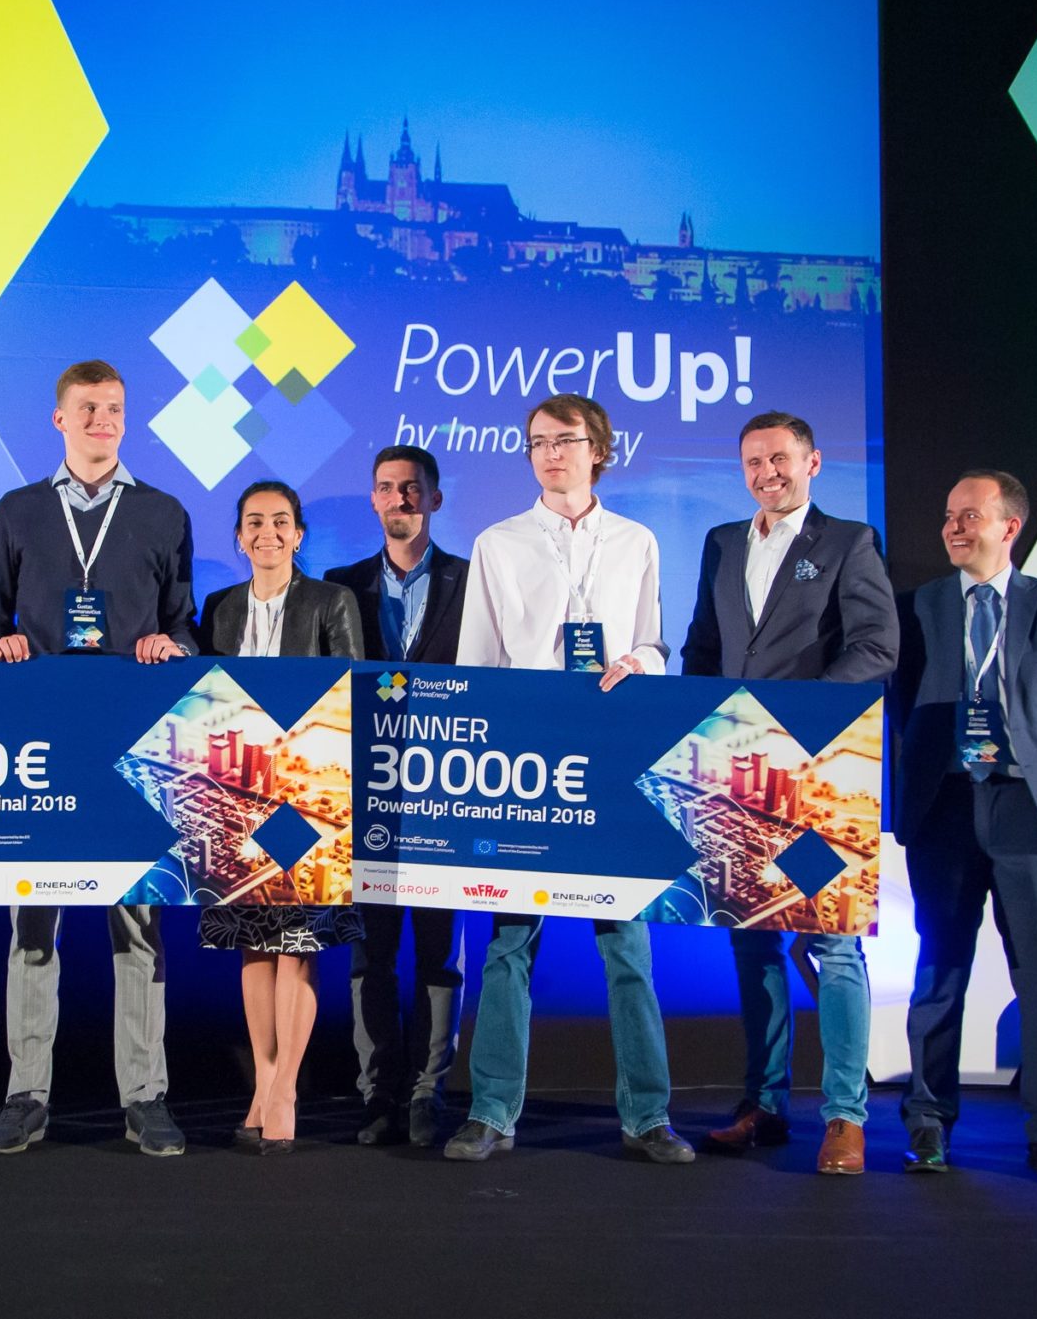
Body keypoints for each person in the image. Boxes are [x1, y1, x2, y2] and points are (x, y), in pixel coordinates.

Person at [443, 395, 690, 1165]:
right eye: (537, 442)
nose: (550, 453)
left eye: (565, 440)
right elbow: (476, 667)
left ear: (599, 449)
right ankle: (491, 1110)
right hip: (526, 768)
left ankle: (649, 1115)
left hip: (611, 764)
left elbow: (655, 644)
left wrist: (639, 662)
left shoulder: (637, 541)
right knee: (508, 944)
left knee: (628, 948)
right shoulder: (498, 542)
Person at [0, 359, 199, 1157]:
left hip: (132, 750)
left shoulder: (163, 511)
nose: (104, 420)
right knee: (32, 926)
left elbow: (184, 623)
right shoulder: (18, 510)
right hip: (40, 748)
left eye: (115, 408)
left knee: (139, 926)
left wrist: (172, 644)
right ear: (59, 419)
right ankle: (26, 1094)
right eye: (89, 408)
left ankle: (145, 1096)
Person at [680, 409, 897, 1176]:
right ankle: (763, 1103)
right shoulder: (721, 542)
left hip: (819, 772)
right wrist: (701, 728)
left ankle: (844, 1116)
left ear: (812, 462)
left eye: (779, 459)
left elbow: (877, 646)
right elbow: (704, 646)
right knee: (752, 938)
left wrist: (796, 718)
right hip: (737, 769)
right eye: (753, 461)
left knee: (833, 943)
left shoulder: (850, 542)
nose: (765, 473)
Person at [889, 471, 1037, 1184]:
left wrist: (1020, 757)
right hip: (944, 805)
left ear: (1010, 526)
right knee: (939, 968)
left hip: (1028, 806)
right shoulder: (918, 607)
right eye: (949, 515)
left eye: (970, 515)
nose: (953, 527)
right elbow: (903, 701)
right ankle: (927, 1123)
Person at [196, 480, 367, 1154]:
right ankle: (263, 1083)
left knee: (297, 944)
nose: (267, 532)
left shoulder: (331, 601)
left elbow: (350, 694)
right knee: (253, 943)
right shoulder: (219, 607)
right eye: (254, 522)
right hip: (239, 796)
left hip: (309, 797)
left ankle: (286, 1089)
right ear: (239, 537)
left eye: (280, 522)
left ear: (298, 534)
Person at [323, 444, 468, 1147]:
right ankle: (377, 1094)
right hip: (365, 795)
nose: (400, 499)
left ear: (434, 498)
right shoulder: (338, 586)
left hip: (448, 794)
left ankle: (427, 1093)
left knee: (440, 955)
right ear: (373, 500)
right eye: (387, 488)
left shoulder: (474, 581)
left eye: (412, 488)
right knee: (369, 955)